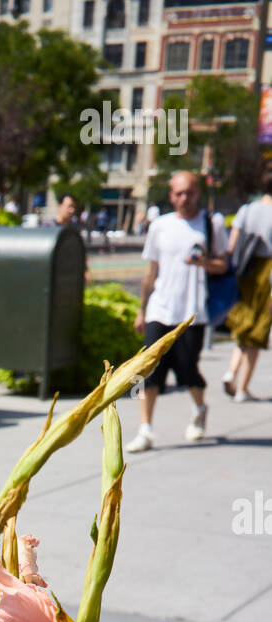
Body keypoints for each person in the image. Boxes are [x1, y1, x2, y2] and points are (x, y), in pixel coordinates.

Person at [126, 171, 229, 453]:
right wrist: (142, 309)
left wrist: (204, 263)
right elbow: (151, 271)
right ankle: (145, 430)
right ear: (171, 196)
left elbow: (223, 265)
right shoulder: (160, 225)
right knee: (149, 370)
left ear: (198, 193)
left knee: (187, 369)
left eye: (189, 192)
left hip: (192, 313)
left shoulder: (210, 224)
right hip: (160, 309)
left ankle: (199, 408)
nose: (184, 198)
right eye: (178, 193)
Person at [222, 168, 272, 402]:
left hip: (245, 272)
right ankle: (242, 388)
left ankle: (231, 372)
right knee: (257, 332)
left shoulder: (246, 210)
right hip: (267, 275)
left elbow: (231, 247)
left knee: (243, 327)